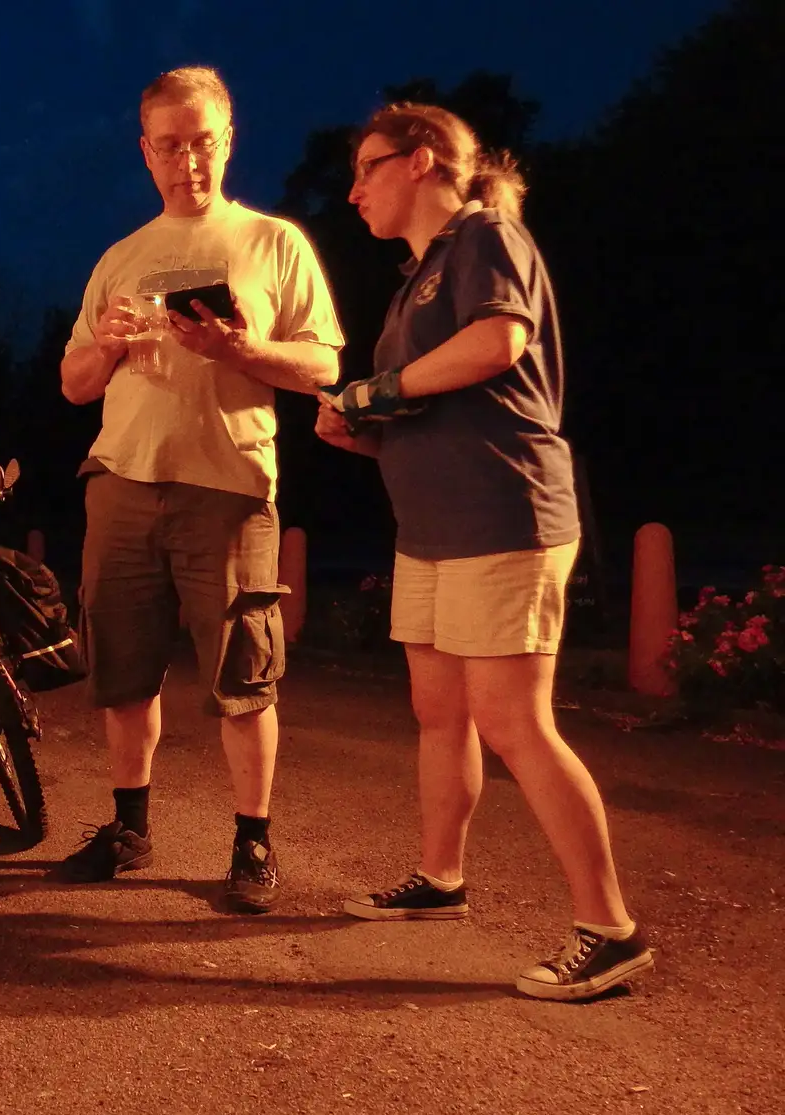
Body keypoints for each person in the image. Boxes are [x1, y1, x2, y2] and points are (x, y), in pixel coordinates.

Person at [318, 102, 653, 1000]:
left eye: (368, 168)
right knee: (440, 712)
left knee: (515, 723)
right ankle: (440, 880)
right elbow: (420, 409)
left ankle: (609, 929)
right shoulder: (416, 277)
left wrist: (374, 390)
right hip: (431, 529)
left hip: (504, 515)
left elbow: (499, 344)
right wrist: (355, 422)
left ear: (422, 160)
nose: (353, 192)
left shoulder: (483, 235)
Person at [55, 66, 344, 909]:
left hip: (227, 486)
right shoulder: (122, 256)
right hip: (122, 478)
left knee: (244, 676)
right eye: (170, 145)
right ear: (145, 152)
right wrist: (105, 345)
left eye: (202, 142)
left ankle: (252, 843)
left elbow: (324, 362)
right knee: (121, 670)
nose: (187, 161)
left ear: (228, 140)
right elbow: (74, 385)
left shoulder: (273, 242)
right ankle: (129, 828)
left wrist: (239, 351)